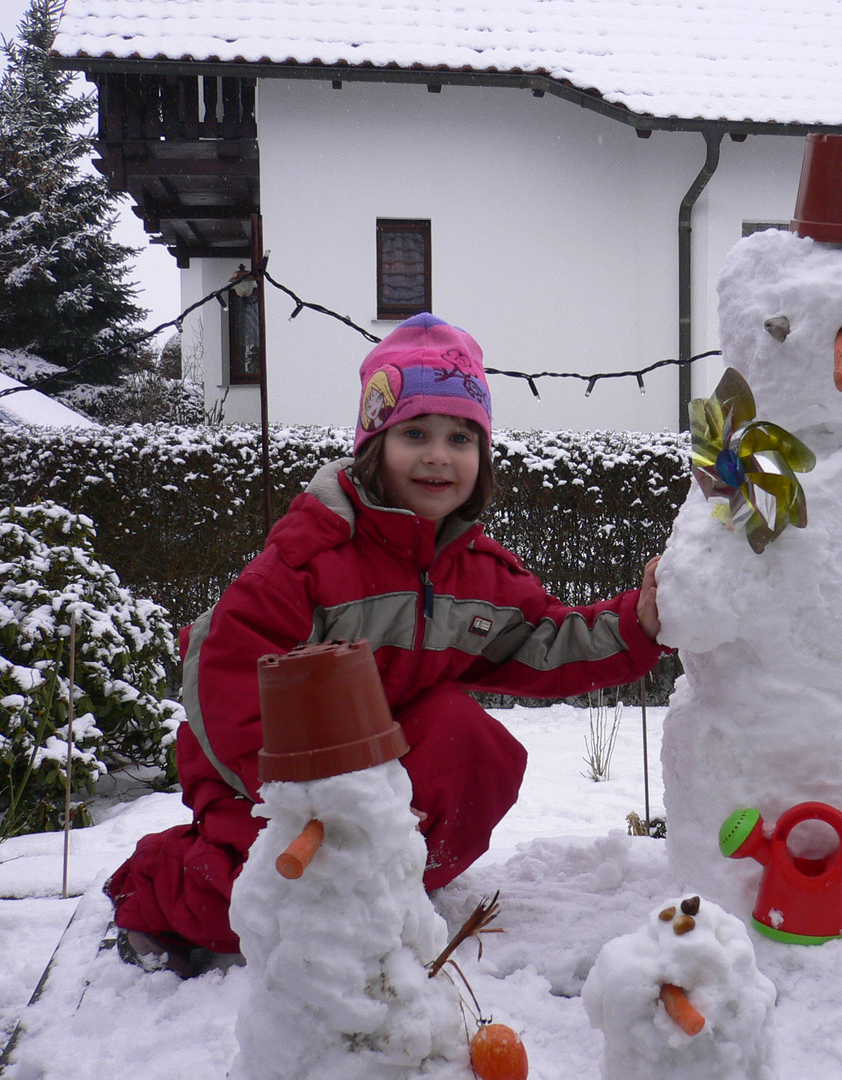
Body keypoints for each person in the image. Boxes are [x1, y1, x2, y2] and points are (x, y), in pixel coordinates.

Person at [107, 313, 665, 976]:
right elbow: (223, 665)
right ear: (375, 444)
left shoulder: (477, 571)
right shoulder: (313, 557)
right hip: (259, 769)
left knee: (469, 740)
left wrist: (642, 624)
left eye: (461, 437)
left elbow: (544, 640)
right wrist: (300, 795)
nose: (438, 454)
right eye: (415, 433)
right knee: (268, 905)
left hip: (376, 759)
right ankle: (150, 887)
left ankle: (386, 884)